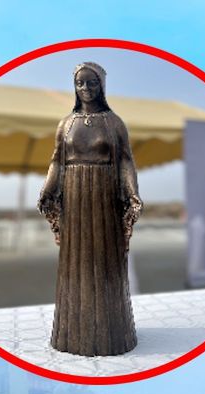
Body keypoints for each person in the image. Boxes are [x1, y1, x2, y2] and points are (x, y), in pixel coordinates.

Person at [37, 62, 142, 356]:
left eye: (91, 83)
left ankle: (112, 334)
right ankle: (71, 334)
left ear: (102, 86)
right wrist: (47, 190)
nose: (86, 89)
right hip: (74, 198)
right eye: (80, 83)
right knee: (75, 262)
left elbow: (125, 162)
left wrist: (133, 194)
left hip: (105, 197)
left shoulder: (113, 123)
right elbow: (58, 161)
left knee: (107, 260)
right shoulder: (66, 124)